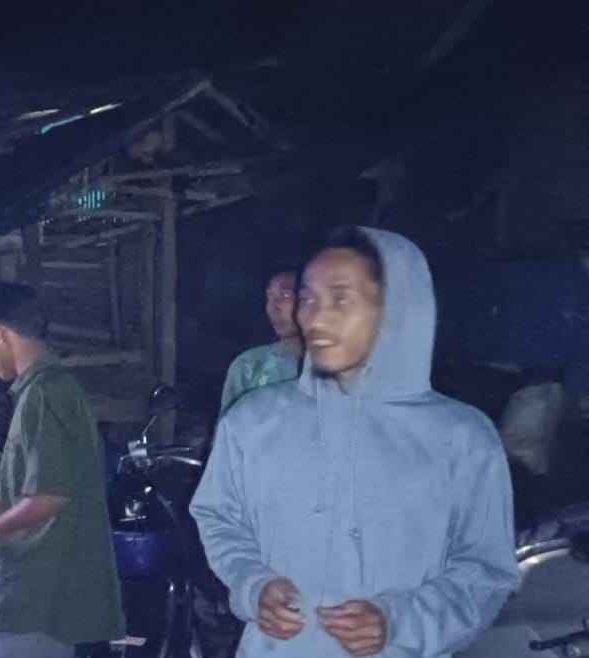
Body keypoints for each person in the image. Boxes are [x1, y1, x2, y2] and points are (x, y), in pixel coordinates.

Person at [190, 226, 520, 658]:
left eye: (340, 299)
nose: (314, 319)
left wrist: (402, 621)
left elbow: (485, 570)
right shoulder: (254, 420)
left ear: (398, 308)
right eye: (307, 299)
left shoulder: (460, 436)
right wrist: (253, 584)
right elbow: (218, 517)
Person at [0, 282, 123, 658]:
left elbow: (49, 497)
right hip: (48, 593)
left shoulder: (44, 394)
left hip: (39, 596)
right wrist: (8, 501)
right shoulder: (50, 388)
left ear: (0, 334)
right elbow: (55, 480)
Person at [220, 271, 303, 415]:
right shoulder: (249, 365)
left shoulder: (333, 367)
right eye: (269, 297)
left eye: (285, 295)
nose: (273, 307)